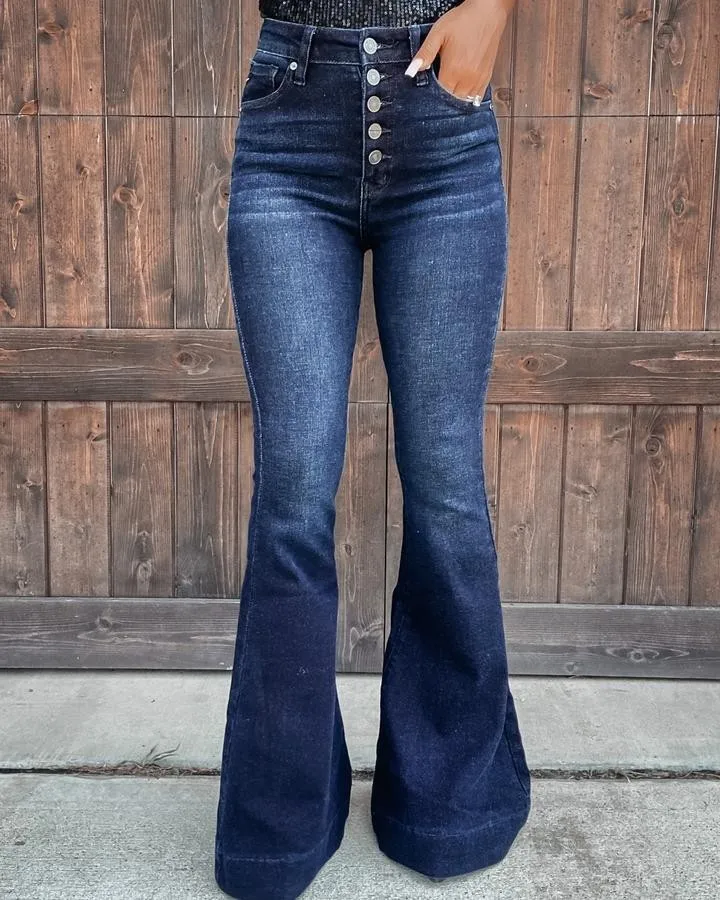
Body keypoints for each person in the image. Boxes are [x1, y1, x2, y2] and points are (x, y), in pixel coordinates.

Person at [214, 1, 531, 898]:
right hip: (291, 118)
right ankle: (277, 825)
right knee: (291, 491)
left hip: (442, 130)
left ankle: (448, 803)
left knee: (445, 486)